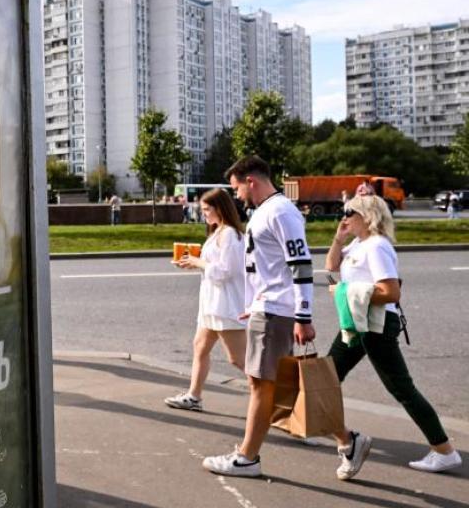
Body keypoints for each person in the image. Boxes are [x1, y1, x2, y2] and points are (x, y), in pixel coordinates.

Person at [325, 195, 461, 476]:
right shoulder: (358, 243)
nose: (344, 215)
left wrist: (343, 292)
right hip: (356, 322)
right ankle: (346, 441)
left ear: (368, 215)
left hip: (376, 325)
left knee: (402, 389)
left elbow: (391, 292)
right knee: (326, 380)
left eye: (350, 211)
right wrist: (338, 240)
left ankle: (445, 451)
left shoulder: (376, 246)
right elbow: (331, 267)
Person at [203, 155, 315, 478]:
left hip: (277, 310)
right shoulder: (268, 211)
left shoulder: (280, 211)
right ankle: (347, 439)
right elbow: (269, 267)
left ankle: (247, 457)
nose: (235, 195)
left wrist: (303, 316)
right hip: (267, 308)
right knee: (265, 384)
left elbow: (301, 263)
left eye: (237, 187)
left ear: (251, 181)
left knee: (262, 386)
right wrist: (253, 304)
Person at [165, 188, 247, 412]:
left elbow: (225, 271)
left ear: (220, 209)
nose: (203, 214)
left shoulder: (229, 234)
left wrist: (197, 261)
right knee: (200, 347)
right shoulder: (219, 232)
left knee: (239, 359)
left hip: (226, 306)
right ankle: (194, 396)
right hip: (213, 305)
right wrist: (193, 262)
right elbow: (215, 268)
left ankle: (276, 398)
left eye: (206, 209)